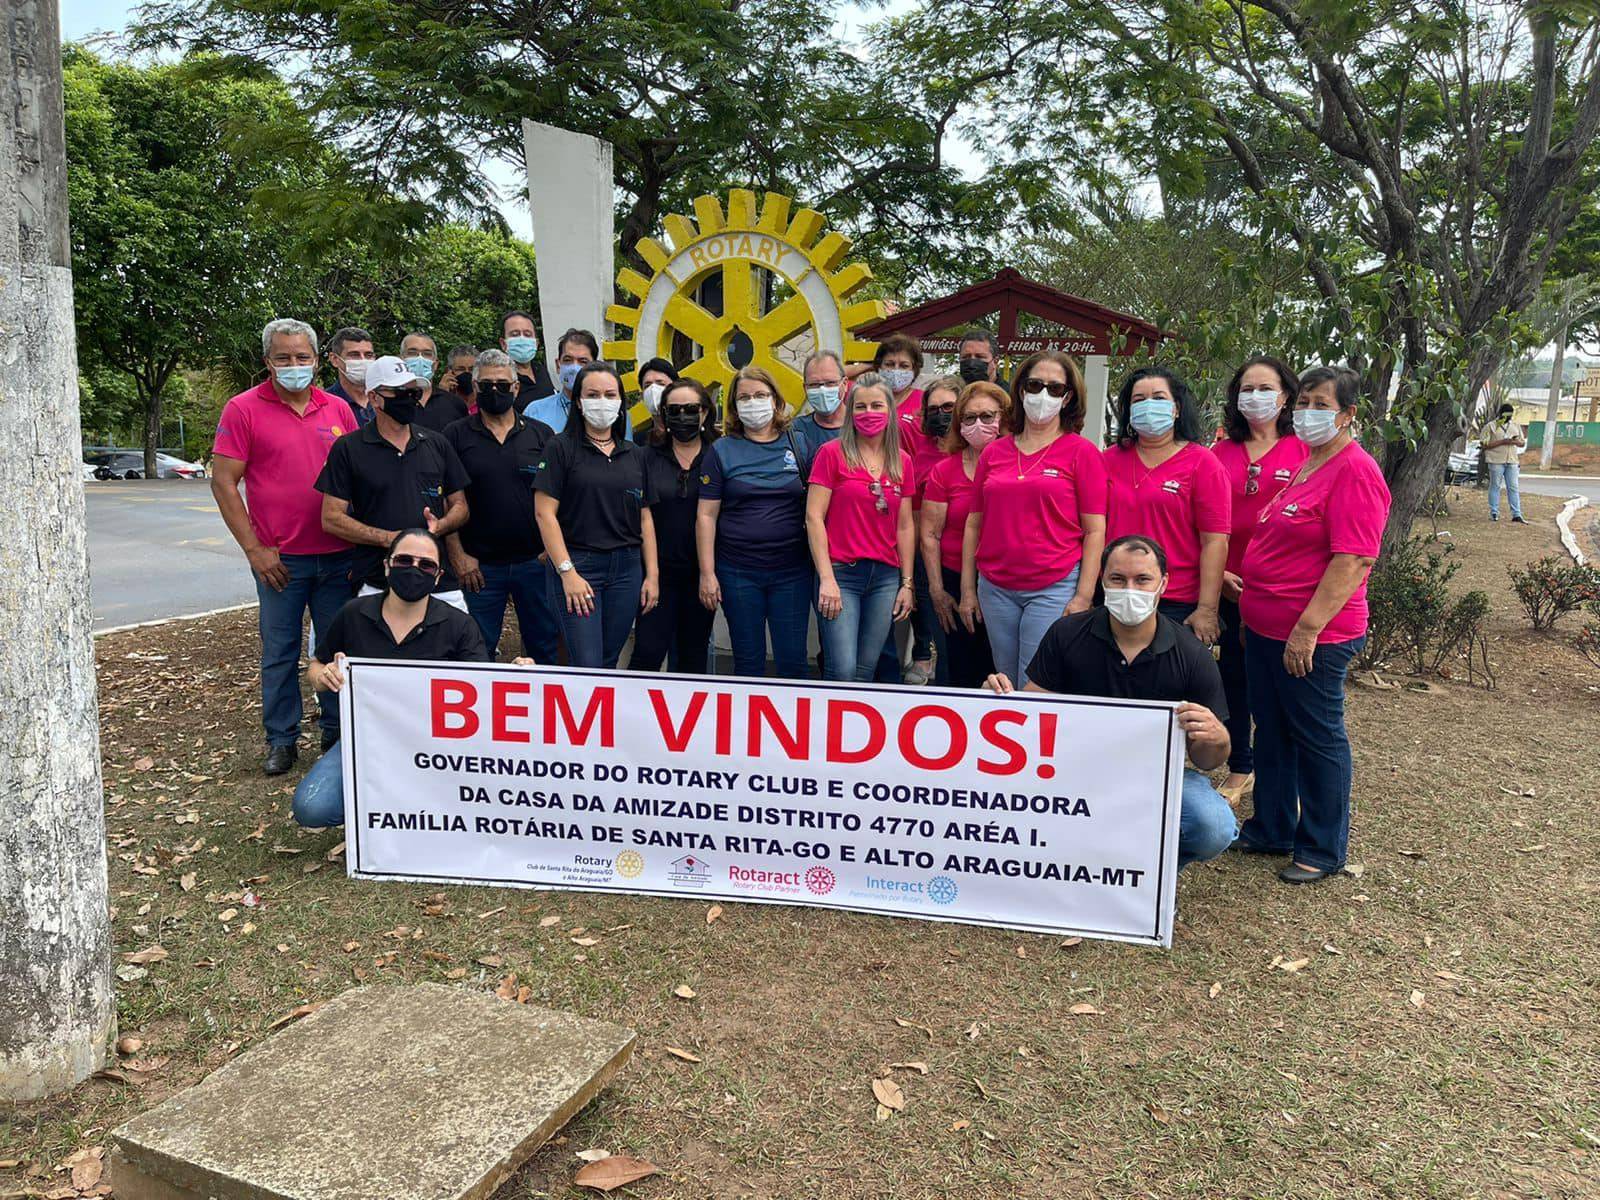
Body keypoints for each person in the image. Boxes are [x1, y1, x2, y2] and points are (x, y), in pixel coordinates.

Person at [983, 535, 1238, 871]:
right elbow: (1032, 710)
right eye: (1118, 579)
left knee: (1213, 826)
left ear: (1163, 584)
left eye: (1142, 579)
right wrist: (999, 703)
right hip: (1072, 770)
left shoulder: (1191, 655)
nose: (1130, 590)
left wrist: (1218, 739)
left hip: (1153, 777)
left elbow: (1207, 760)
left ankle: (1150, 876)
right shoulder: (1067, 633)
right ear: (1102, 580)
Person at [1237, 365, 1391, 884]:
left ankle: (1322, 848)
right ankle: (1271, 827)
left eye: (1321, 405)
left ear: (1348, 414)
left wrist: (1307, 629)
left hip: (1314, 635)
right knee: (1272, 731)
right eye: (1303, 402)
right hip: (1265, 627)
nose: (1307, 413)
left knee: (1316, 736)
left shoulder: (1355, 470)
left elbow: (1354, 558)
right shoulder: (1309, 462)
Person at [212, 318, 357, 776]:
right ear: (267, 361)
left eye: (302, 357)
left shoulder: (338, 409)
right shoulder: (243, 409)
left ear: (316, 360)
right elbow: (224, 482)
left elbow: (358, 474)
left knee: (338, 650)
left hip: (339, 556)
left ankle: (337, 732)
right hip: (280, 561)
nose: (294, 365)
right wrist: (254, 550)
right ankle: (281, 739)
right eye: (283, 357)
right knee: (279, 651)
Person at [290, 529, 493, 828]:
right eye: (404, 560)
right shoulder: (354, 613)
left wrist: (521, 676)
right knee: (312, 808)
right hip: (367, 738)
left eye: (426, 565)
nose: (414, 569)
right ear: (387, 566)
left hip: (439, 747)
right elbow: (317, 665)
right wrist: (324, 676)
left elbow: (485, 689)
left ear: (438, 577)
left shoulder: (459, 625)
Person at [960, 351, 1106, 688]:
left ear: (1068, 397)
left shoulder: (1082, 453)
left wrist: (1083, 597)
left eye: (1055, 388)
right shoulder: (994, 452)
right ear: (1021, 389)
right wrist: (968, 588)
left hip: (1053, 586)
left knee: (1036, 682)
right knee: (1003, 679)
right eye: (1035, 385)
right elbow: (974, 523)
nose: (1043, 394)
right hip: (995, 587)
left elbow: (1095, 530)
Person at [1208, 356, 1307, 805]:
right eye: (1247, 389)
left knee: (1276, 688)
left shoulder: (1303, 450)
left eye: (1266, 389)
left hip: (1278, 591)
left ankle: (1282, 777)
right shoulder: (1219, 452)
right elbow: (1204, 522)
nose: (1255, 397)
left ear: (1286, 396)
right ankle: (1241, 766)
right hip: (1224, 584)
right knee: (1233, 680)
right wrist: (1219, 576)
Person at [315, 355, 471, 606]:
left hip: (438, 581)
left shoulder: (437, 443)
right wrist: (388, 538)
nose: (409, 398)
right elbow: (331, 518)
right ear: (374, 398)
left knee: (458, 633)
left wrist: (440, 526)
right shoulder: (349, 448)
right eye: (399, 392)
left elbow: (460, 506)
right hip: (377, 580)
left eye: (413, 392)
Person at [534, 361, 660, 668]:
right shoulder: (560, 448)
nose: (602, 401)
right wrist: (567, 572)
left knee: (608, 661)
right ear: (578, 401)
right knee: (587, 663)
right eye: (592, 395)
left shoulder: (635, 454)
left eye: (609, 394)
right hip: (579, 565)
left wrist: (652, 576)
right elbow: (544, 514)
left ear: (620, 401)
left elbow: (645, 518)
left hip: (627, 569)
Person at [442, 349, 561, 662]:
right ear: (475, 387)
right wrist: (457, 555)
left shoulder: (541, 434)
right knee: (475, 650)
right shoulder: (454, 435)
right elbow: (447, 500)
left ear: (516, 388)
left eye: (503, 385)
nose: (495, 391)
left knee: (545, 648)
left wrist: (551, 549)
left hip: (535, 563)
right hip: (478, 566)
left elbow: (557, 495)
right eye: (487, 385)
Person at [697, 365, 814, 678]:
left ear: (776, 400)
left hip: (792, 571)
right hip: (738, 572)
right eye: (744, 398)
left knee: (793, 662)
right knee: (748, 661)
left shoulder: (799, 444)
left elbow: (817, 509)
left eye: (761, 395)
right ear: (734, 406)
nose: (753, 402)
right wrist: (707, 573)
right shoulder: (721, 450)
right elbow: (706, 515)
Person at [1103, 366, 1231, 646]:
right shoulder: (1108, 460)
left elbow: (1215, 542)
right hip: (1115, 594)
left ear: (1176, 409)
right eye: (1139, 400)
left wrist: (1207, 609)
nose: (1149, 405)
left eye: (1159, 398)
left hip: (1176, 601)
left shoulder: (1203, 464)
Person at [806, 371, 916, 681]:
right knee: (842, 670)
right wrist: (826, 579)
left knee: (866, 671)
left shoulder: (902, 461)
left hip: (885, 578)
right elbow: (814, 517)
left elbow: (905, 526)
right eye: (861, 407)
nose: (869, 413)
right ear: (850, 412)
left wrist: (907, 584)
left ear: (890, 410)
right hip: (842, 574)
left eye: (877, 406)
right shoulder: (831, 454)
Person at [921, 381, 1005, 687]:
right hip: (954, 580)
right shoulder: (944, 471)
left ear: (1003, 418)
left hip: (1004, 582)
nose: (978, 424)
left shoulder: (1016, 467)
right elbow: (930, 534)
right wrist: (937, 590)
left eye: (987, 416)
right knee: (958, 670)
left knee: (1001, 668)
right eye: (969, 418)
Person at [632, 379, 718, 673]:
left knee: (693, 658)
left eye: (691, 409)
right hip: (657, 574)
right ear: (664, 415)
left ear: (704, 412)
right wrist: (651, 575)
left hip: (702, 575)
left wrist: (710, 574)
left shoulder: (718, 455)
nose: (683, 416)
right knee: (647, 653)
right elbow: (641, 515)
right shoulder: (645, 457)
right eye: (674, 410)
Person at [894, 374, 962, 685]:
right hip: (929, 559)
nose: (941, 415)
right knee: (944, 642)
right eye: (933, 409)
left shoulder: (978, 450)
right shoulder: (921, 452)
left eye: (948, 407)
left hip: (968, 563)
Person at [524, 328, 599, 434]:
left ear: (594, 367)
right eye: (568, 360)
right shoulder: (536, 412)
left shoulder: (606, 409)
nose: (574, 368)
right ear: (558, 365)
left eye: (583, 361)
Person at [401, 331, 469, 432]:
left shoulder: (455, 404)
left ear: (435, 364)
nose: (420, 359)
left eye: (427, 354)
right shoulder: (391, 402)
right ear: (400, 359)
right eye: (412, 353)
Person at [792, 349, 848, 450]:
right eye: (814, 384)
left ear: (844, 384)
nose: (822, 390)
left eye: (830, 383)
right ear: (805, 388)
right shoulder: (795, 431)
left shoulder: (863, 425)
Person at [1480, 403, 1527, 523]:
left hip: (1512, 460)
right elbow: (1484, 445)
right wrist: (1502, 442)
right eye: (1506, 414)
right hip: (1496, 460)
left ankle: (1516, 514)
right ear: (1500, 413)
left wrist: (1514, 442)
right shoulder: (1490, 426)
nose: (1508, 417)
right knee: (1495, 485)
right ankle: (1494, 512)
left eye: (1510, 415)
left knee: (1513, 487)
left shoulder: (1515, 426)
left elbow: (1522, 443)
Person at [325, 326, 377, 427]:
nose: (363, 360)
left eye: (368, 355)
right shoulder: (325, 404)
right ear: (334, 359)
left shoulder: (384, 400)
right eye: (354, 355)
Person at [500, 309, 556, 400]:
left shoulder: (541, 369)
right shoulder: (502, 380)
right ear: (503, 343)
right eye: (515, 334)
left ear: (536, 343)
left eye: (527, 334)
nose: (522, 339)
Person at [874, 333, 925, 424]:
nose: (896, 370)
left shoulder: (924, 400)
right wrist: (866, 366)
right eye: (889, 364)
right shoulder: (867, 397)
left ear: (914, 370)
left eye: (904, 366)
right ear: (879, 367)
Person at [632, 357, 679, 445]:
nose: (653, 390)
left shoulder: (692, 436)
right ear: (642, 395)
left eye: (661, 384)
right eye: (647, 386)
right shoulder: (637, 443)